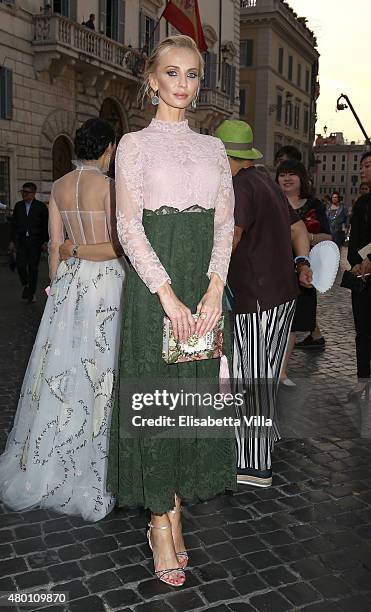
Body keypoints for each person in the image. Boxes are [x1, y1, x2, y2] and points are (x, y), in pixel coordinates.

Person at [107, 35, 236, 588]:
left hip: (202, 289)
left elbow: (225, 225)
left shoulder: (214, 150)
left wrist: (212, 290)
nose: (183, 85)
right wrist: (167, 294)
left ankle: (176, 511)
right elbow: (129, 225)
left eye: (192, 75)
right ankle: (160, 523)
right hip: (153, 291)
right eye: (173, 73)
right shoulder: (133, 146)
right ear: (152, 79)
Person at [0, 118, 126, 522]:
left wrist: (60, 281)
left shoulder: (58, 186)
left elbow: (54, 247)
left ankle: (50, 454)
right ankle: (93, 458)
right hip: (105, 284)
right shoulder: (108, 187)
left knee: (63, 368)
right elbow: (115, 248)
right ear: (107, 148)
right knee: (101, 368)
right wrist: (84, 254)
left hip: (69, 286)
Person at [215, 120, 312, 488]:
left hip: (256, 298)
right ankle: (265, 438)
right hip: (282, 296)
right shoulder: (267, 183)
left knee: (250, 377)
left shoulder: (239, 186)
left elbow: (233, 239)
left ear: (224, 156)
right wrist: (301, 262)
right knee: (265, 374)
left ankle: (254, 466)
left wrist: (209, 280)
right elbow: (298, 228)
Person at [276, 160, 332, 385]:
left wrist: (304, 237)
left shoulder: (314, 205)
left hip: (305, 270)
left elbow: (328, 237)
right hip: (274, 269)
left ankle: (281, 371)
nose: (287, 178)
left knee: (294, 323)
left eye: (292, 174)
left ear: (302, 179)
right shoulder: (272, 201)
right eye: (282, 174)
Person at [347, 151, 371, 399]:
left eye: (369, 165)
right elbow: (355, 239)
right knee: (362, 330)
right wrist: (356, 261)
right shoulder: (362, 202)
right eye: (362, 165)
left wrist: (369, 258)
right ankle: (362, 379)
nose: (363, 169)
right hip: (362, 277)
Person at [8, 183, 48, 303]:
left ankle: (31, 293)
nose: (24, 194)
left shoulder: (40, 207)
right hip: (21, 241)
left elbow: (46, 225)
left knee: (33, 267)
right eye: (23, 192)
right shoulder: (18, 206)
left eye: (26, 192)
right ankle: (26, 284)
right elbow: (13, 225)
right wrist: (11, 241)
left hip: (35, 242)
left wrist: (45, 241)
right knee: (20, 265)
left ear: (33, 193)